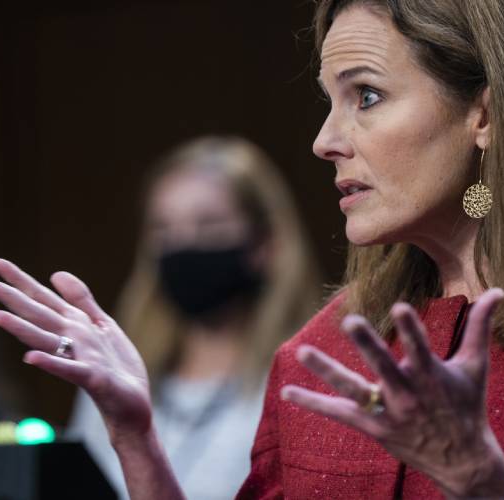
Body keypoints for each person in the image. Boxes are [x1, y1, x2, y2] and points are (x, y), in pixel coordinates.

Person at [0, 0, 504, 498]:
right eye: (329, 101)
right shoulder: (320, 351)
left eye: (368, 96)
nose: (324, 141)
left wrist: (481, 481)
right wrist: (136, 436)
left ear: (485, 112)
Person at [66, 136, 322, 499]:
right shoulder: (116, 372)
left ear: (265, 244)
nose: (183, 246)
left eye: (209, 226)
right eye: (163, 230)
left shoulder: (303, 382)